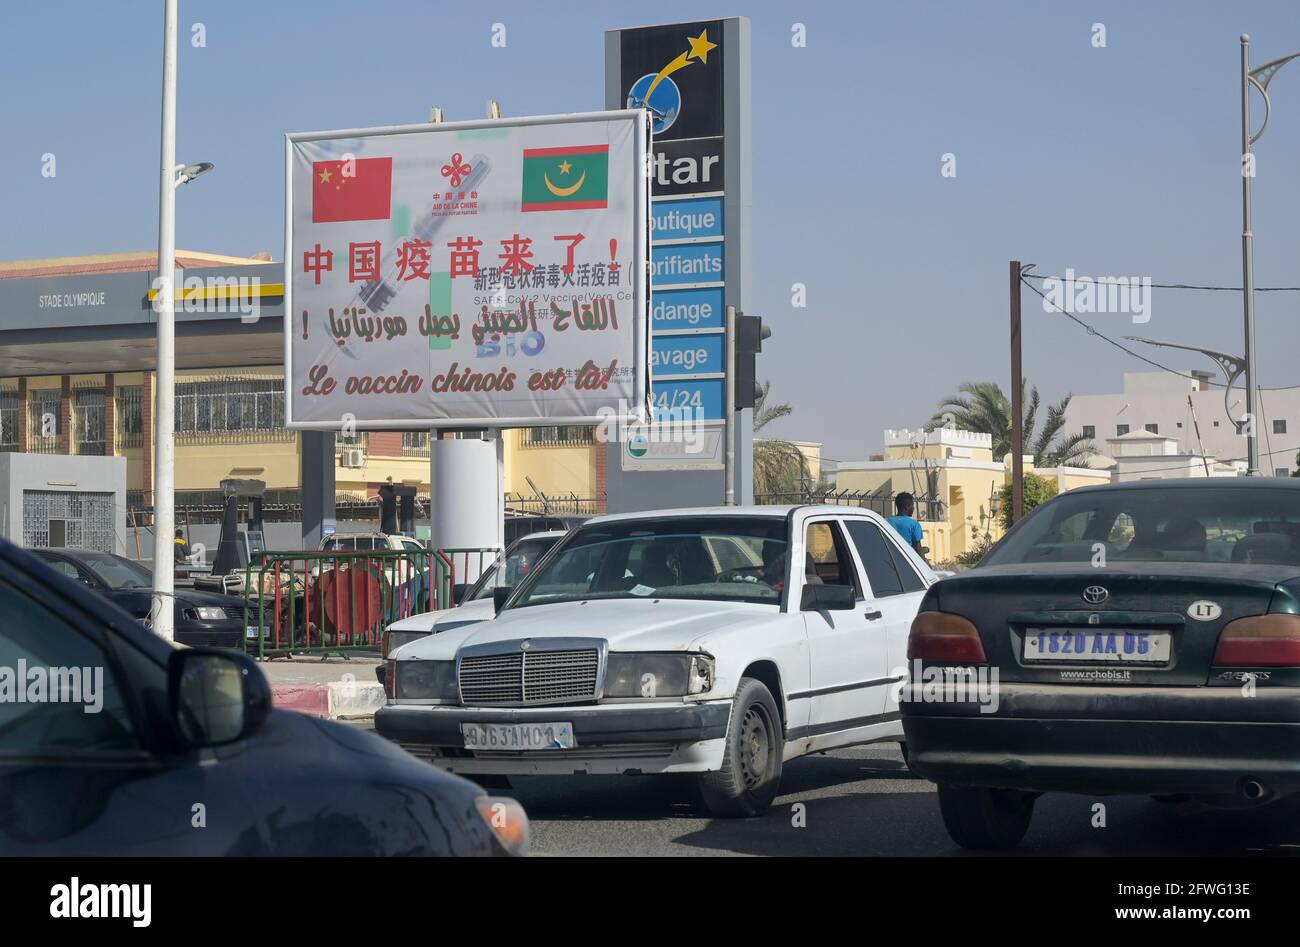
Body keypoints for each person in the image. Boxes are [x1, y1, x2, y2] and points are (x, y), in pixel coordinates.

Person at [887, 492, 926, 559]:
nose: (913, 508)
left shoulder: (887, 521)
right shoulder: (914, 524)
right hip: (907, 562)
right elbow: (918, 549)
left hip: (890, 560)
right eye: (912, 505)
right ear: (907, 506)